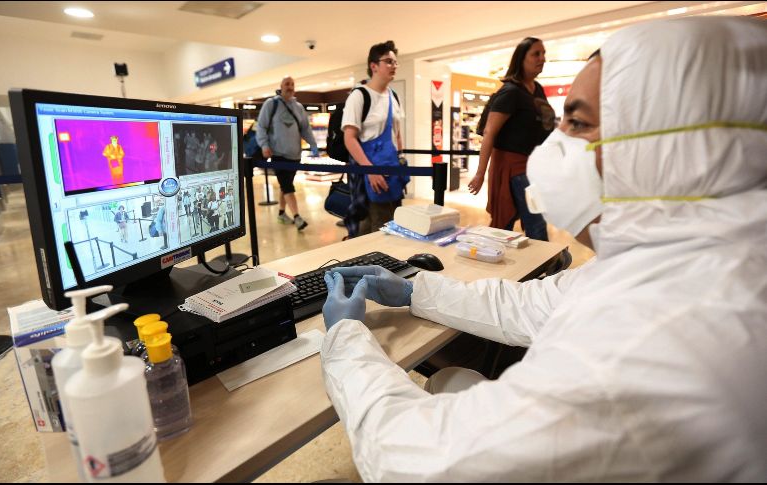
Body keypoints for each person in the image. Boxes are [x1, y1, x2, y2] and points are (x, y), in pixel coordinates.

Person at [318, 17, 767, 481]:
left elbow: (418, 463)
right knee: (451, 381)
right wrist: (416, 290)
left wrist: (346, 341)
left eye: (578, 123)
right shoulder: (693, 263)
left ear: (667, 144)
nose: (554, 149)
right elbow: (536, 302)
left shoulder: (657, 341)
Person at [468, 37, 555, 240]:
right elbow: (490, 132)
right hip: (512, 167)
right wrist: (480, 174)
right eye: (536, 54)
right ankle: (546, 269)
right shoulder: (511, 92)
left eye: (544, 54)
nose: (542, 58)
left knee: (507, 223)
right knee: (536, 222)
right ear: (521, 58)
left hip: (531, 165)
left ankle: (502, 260)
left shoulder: (537, 89)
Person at [342, 41, 406, 238]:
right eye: (388, 61)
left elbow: (397, 132)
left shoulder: (393, 96)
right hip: (369, 169)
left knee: (392, 220)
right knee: (378, 226)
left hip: (390, 167)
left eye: (395, 62)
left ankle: (378, 264)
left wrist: (400, 158)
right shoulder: (359, 96)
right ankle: (369, 265)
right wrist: (370, 170)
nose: (394, 66)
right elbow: (349, 138)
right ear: (373, 66)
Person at [256, 76, 318, 231]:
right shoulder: (271, 104)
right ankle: (297, 217)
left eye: (292, 84)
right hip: (278, 154)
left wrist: (313, 144)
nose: (290, 87)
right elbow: (261, 126)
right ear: (281, 86)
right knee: (288, 187)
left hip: (295, 155)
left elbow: (305, 128)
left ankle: (282, 213)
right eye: (286, 84)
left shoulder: (298, 107)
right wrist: (264, 145)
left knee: (286, 186)